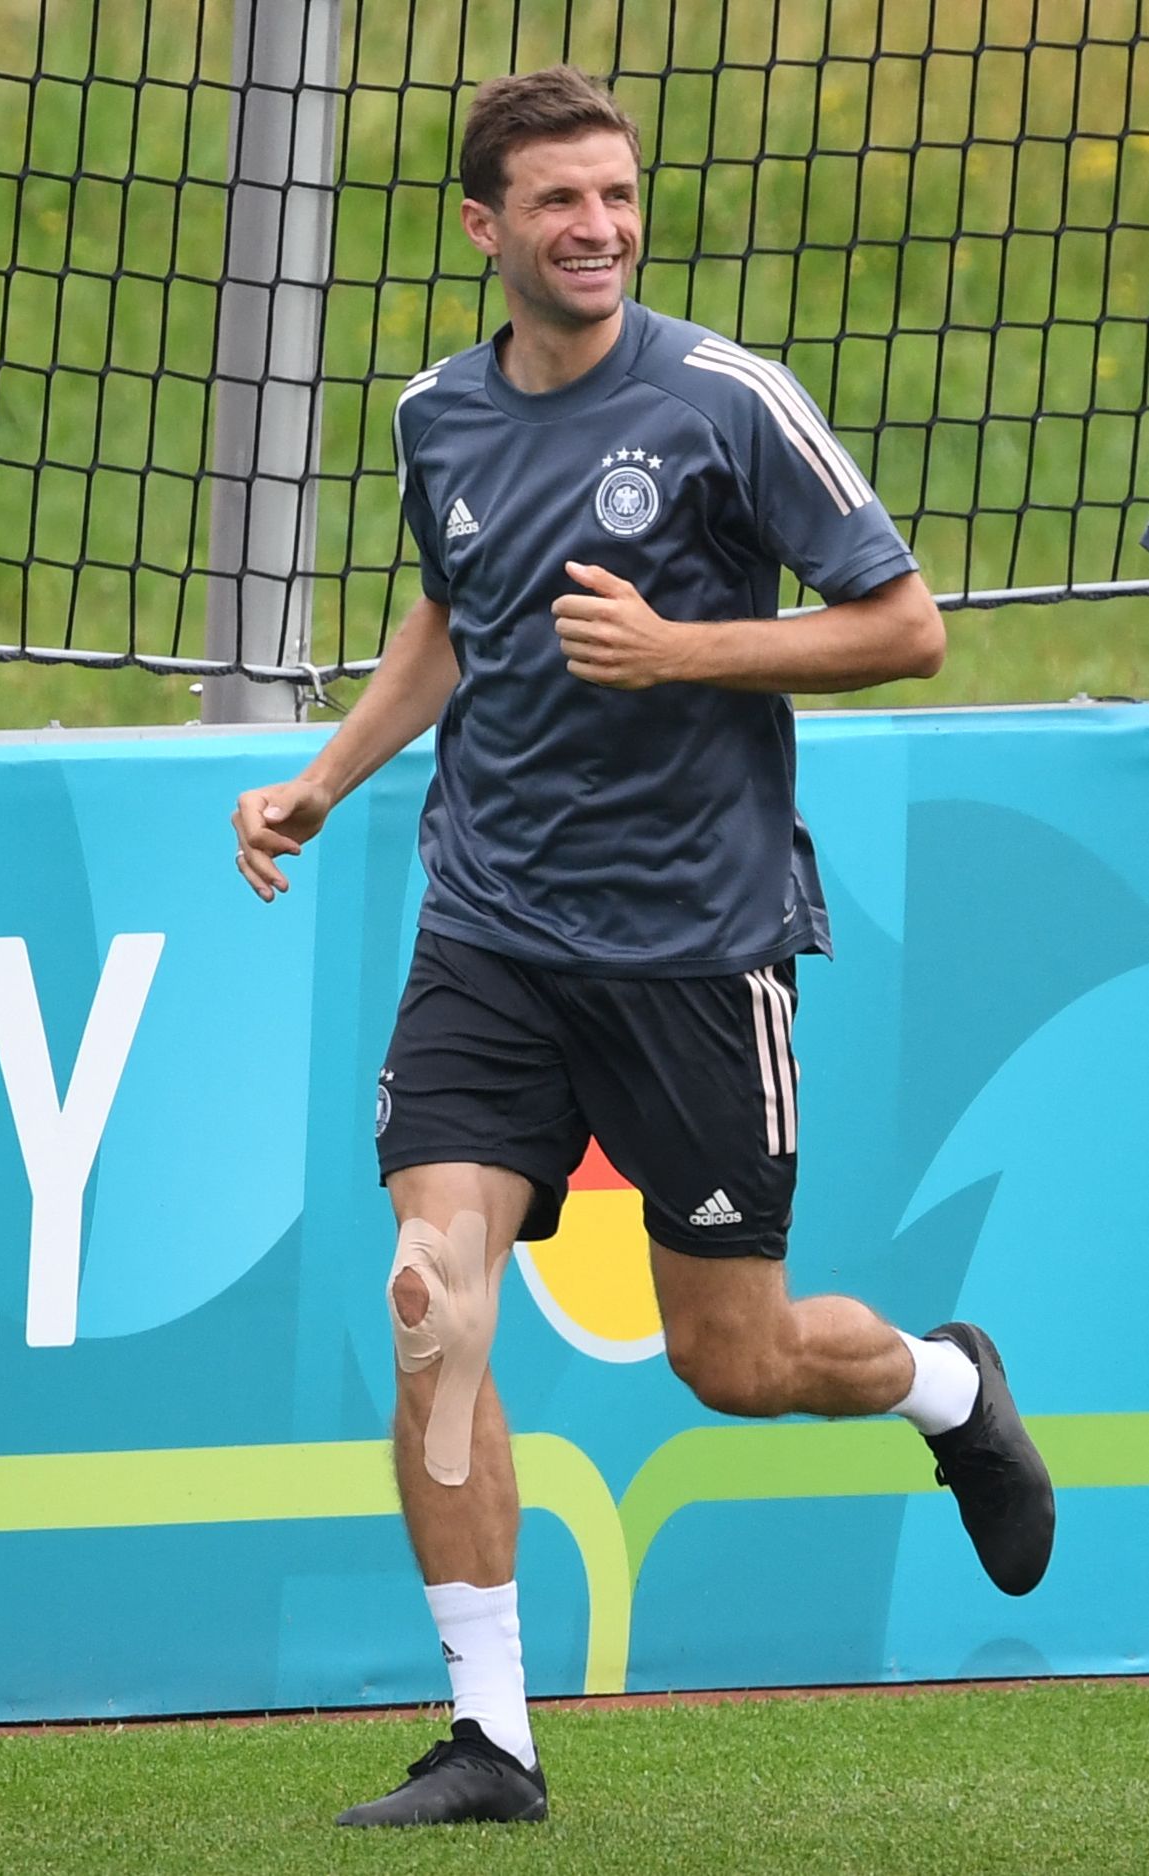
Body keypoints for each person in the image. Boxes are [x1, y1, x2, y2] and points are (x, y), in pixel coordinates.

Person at [231, 65, 1055, 1829]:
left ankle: (943, 1382)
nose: (595, 227)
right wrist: (320, 778)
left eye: (613, 195)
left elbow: (901, 629)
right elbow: (452, 614)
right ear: (482, 227)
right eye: (555, 202)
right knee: (430, 1295)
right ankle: (491, 1739)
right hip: (490, 931)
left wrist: (684, 653)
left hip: (693, 947)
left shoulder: (723, 404)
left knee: (731, 1359)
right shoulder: (435, 415)